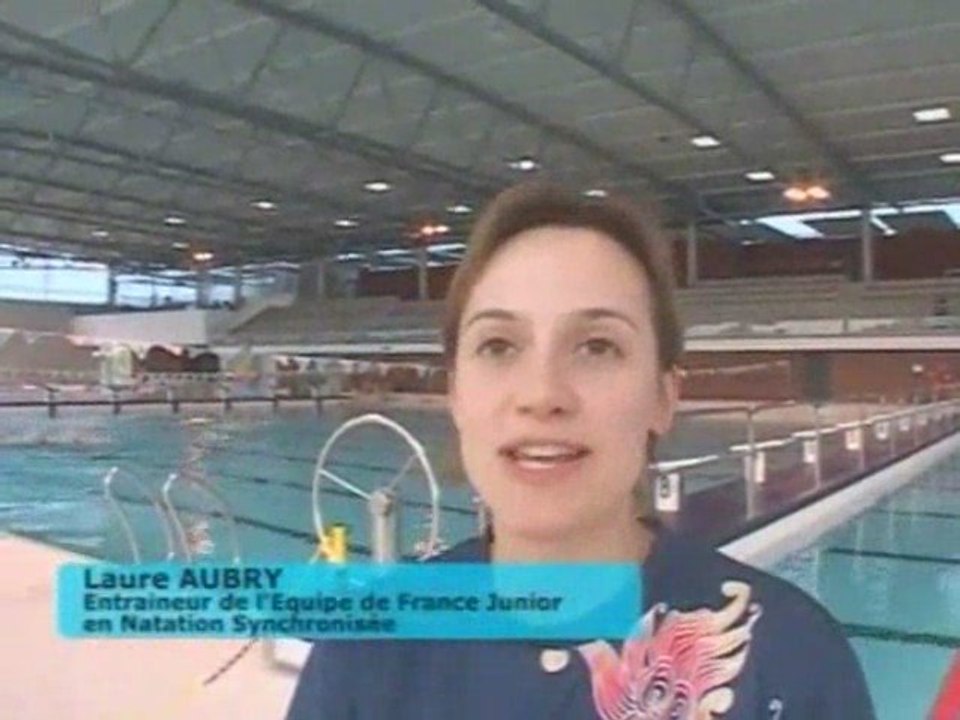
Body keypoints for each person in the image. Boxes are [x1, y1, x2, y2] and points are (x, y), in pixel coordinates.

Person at [286, 183, 875, 719]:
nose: (542, 395)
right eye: (498, 345)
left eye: (596, 346)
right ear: (456, 394)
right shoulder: (366, 651)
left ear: (663, 398)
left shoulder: (792, 658)